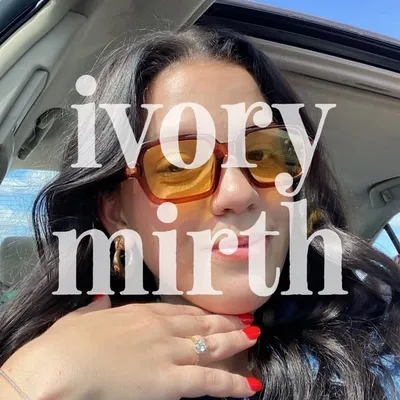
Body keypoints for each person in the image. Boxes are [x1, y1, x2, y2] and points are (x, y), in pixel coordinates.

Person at [0, 26, 400, 400]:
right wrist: (31, 382)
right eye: (179, 165)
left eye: (264, 154)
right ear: (116, 211)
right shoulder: (38, 359)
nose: (238, 193)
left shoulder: (375, 362)